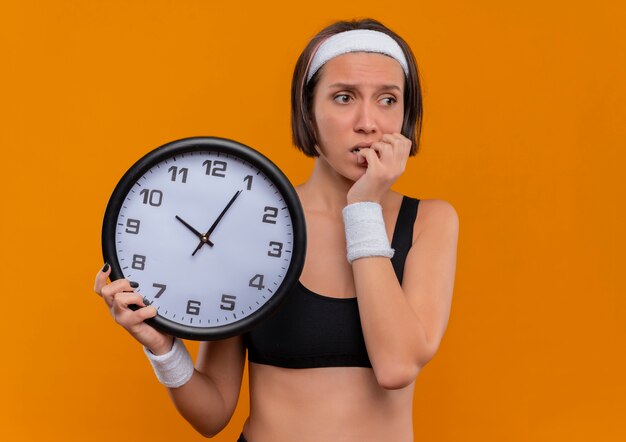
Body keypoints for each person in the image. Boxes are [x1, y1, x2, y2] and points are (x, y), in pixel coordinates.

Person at [94, 18, 459, 442]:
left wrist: (363, 207)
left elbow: (396, 366)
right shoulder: (249, 225)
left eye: (388, 100)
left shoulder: (431, 221)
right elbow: (212, 414)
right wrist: (161, 348)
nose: (368, 122)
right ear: (308, 110)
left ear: (406, 113)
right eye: (343, 97)